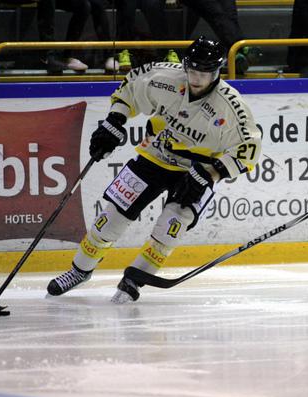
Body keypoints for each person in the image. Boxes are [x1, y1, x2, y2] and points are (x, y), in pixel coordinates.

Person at [46, 37, 262, 303]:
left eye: (204, 73)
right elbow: (130, 87)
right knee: (112, 217)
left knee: (171, 227)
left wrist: (212, 174)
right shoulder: (164, 77)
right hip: (155, 155)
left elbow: (249, 147)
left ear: (217, 72)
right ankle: (79, 270)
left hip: (196, 171)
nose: (196, 79)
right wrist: (114, 121)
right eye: (193, 70)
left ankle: (135, 279)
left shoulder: (231, 106)